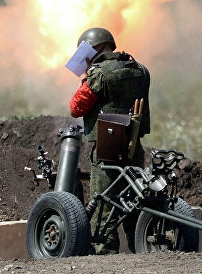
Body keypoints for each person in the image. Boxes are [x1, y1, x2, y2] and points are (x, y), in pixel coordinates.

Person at [68, 27, 151, 255]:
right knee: (133, 200)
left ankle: (106, 253)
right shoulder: (140, 70)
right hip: (135, 145)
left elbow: (77, 107)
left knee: (104, 202)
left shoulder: (99, 74)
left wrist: (84, 79)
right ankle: (139, 248)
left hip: (108, 144)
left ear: (92, 48)